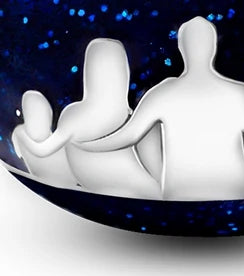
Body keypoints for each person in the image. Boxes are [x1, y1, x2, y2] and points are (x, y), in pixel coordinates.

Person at [80, 17, 244, 200]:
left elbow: (127, 136)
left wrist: (89, 146)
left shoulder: (163, 93)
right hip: (233, 192)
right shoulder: (239, 93)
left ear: (181, 47)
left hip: (182, 192)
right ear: (213, 47)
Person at [21, 38, 162, 199]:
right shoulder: (128, 116)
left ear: (89, 72)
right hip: (138, 191)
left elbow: (43, 150)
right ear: (124, 72)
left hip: (110, 190)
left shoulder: (75, 115)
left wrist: (23, 137)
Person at [11, 90, 79, 189]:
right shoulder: (19, 133)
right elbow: (33, 152)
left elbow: (40, 151)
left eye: (42, 115)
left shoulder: (56, 139)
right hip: (42, 183)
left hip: (68, 184)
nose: (38, 121)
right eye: (32, 115)